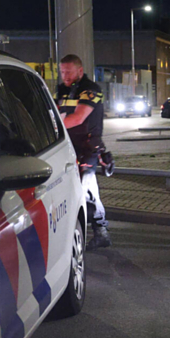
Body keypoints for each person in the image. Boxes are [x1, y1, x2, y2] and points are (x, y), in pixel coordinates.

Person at [56, 54, 110, 250]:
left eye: (69, 71)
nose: (65, 75)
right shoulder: (63, 90)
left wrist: (52, 128)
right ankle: (94, 229)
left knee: (86, 188)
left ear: (80, 70)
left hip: (88, 147)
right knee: (73, 189)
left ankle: (101, 230)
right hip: (68, 146)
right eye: (62, 71)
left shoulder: (91, 90)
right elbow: (55, 111)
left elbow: (78, 118)